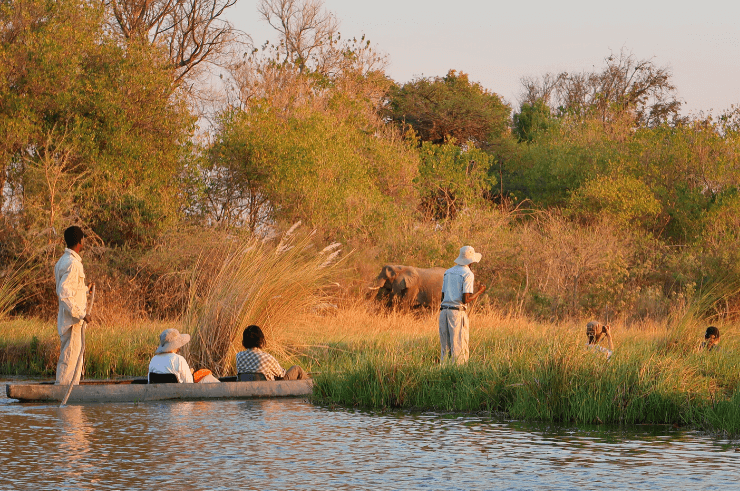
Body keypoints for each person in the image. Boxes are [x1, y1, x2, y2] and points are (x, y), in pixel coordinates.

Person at [54, 226, 93, 385]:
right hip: (73, 320)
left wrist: (85, 290)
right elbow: (64, 292)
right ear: (80, 241)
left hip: (70, 319)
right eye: (83, 239)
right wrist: (81, 314)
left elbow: (70, 289)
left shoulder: (63, 261)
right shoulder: (73, 263)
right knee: (70, 358)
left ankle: (71, 390)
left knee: (74, 357)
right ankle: (63, 389)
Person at [438, 246, 487, 364]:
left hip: (444, 312)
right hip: (457, 313)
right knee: (459, 347)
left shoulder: (448, 272)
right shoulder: (468, 274)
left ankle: (445, 372)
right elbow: (465, 299)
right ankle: (458, 376)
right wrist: (479, 292)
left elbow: (442, 297)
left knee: (445, 349)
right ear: (471, 261)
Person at [236, 325, 309, 380]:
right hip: (269, 388)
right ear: (261, 340)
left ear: (244, 341)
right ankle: (314, 387)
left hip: (246, 388)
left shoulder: (238, 356)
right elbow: (281, 374)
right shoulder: (267, 358)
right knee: (296, 368)